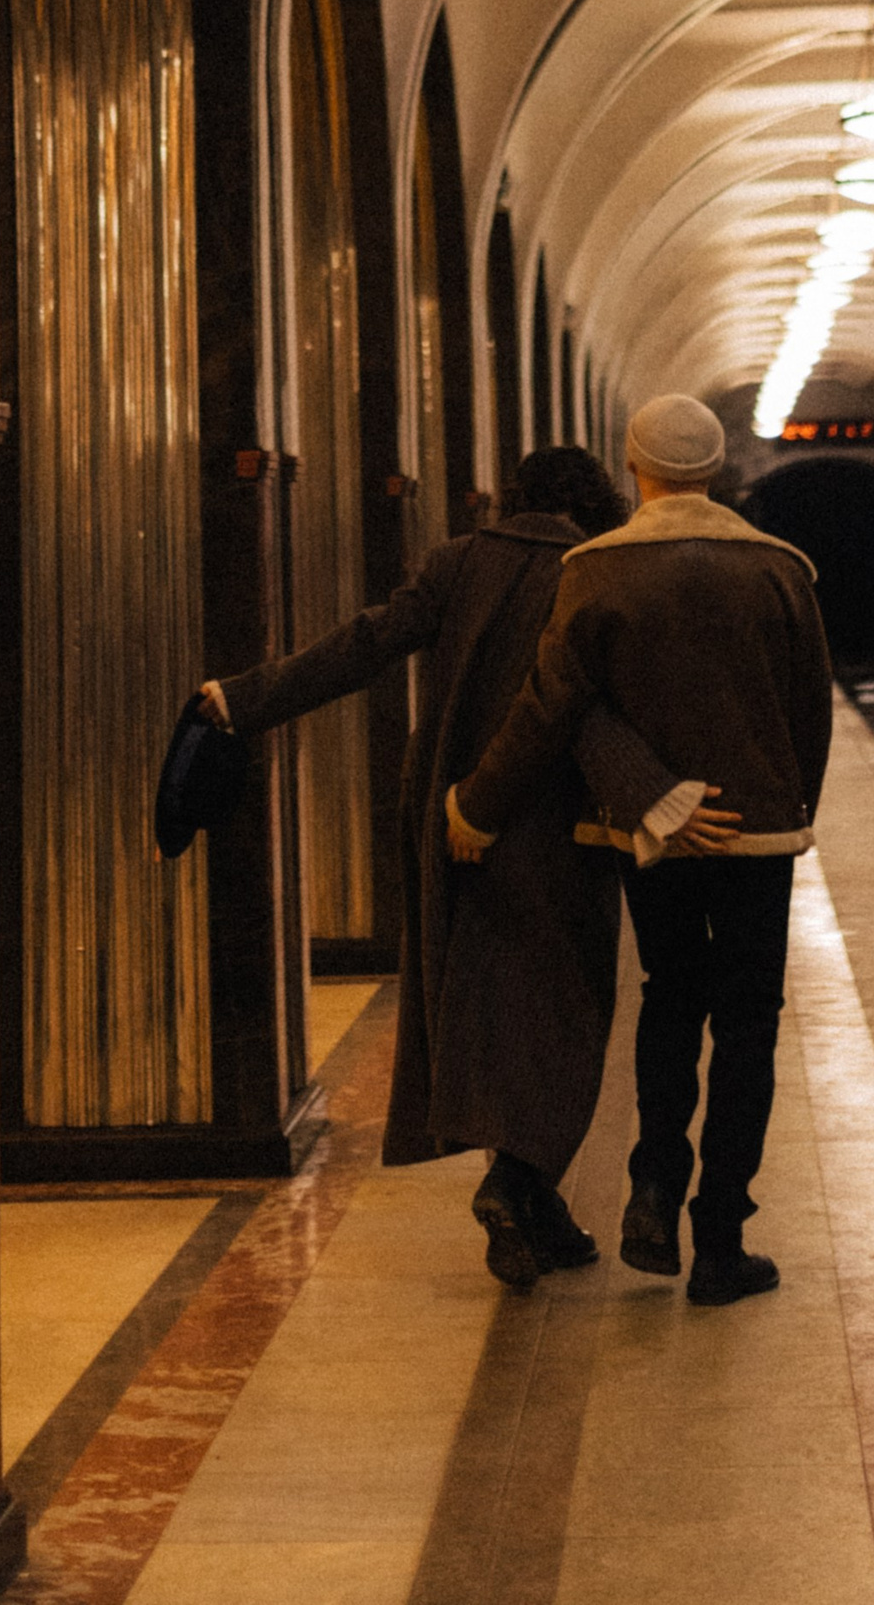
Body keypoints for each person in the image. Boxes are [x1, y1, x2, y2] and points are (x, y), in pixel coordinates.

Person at [203, 446, 734, 1291]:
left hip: (450, 817)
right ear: (596, 501)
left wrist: (243, 696)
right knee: (564, 1010)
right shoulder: (591, 570)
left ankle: (535, 1209)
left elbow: (364, 645)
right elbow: (583, 709)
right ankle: (515, 1183)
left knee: (488, 1004)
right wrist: (656, 797)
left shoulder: (455, 563)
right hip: (555, 822)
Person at [447, 394, 832, 1306]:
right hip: (755, 834)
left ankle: (653, 1196)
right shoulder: (779, 569)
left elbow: (549, 707)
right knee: (749, 1024)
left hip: (648, 836)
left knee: (671, 999)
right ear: (717, 470)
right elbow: (810, 706)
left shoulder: (596, 570)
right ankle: (721, 1242)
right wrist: (787, 805)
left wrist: (479, 805)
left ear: (634, 467)